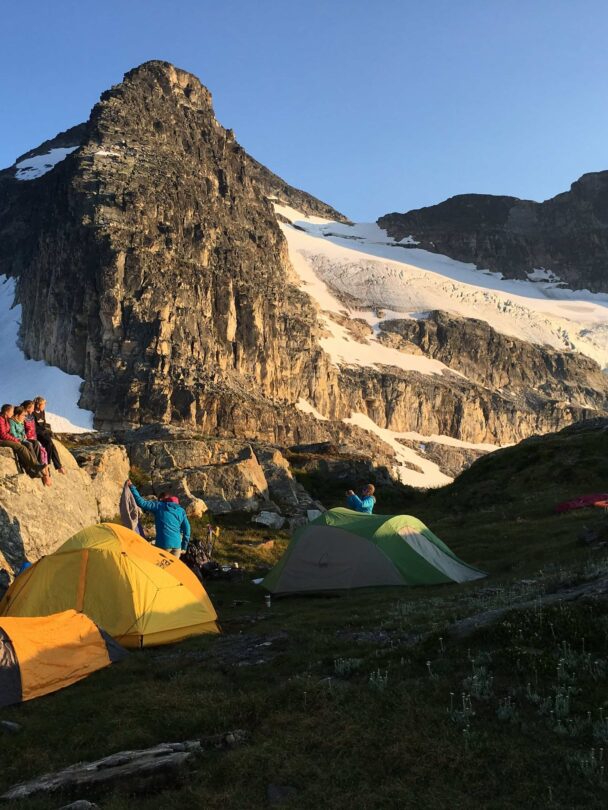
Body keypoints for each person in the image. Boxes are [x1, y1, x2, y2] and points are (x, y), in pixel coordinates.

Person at [127, 480, 191, 557]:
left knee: (158, 568)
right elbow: (187, 529)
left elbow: (141, 503)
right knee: (172, 568)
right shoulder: (181, 510)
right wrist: (184, 546)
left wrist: (131, 486)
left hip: (163, 544)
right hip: (177, 547)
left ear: (161, 499)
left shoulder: (159, 506)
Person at [0, 403, 50, 484]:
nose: (13, 413)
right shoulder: (1, 419)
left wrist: (17, 438)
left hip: (7, 438)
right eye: (11, 412)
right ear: (6, 412)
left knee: (34, 443)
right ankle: (34, 466)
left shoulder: (5, 419)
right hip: (2, 440)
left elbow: (8, 433)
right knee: (22, 447)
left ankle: (37, 466)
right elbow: (3, 434)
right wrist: (15, 439)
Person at [32, 396, 65, 474]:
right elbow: (33, 427)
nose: (44, 406)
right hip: (37, 433)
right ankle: (51, 464)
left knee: (52, 445)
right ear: (38, 405)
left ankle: (57, 466)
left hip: (43, 432)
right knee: (50, 444)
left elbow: (43, 423)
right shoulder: (32, 413)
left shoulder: (42, 411)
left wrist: (46, 430)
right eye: (43, 404)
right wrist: (43, 431)